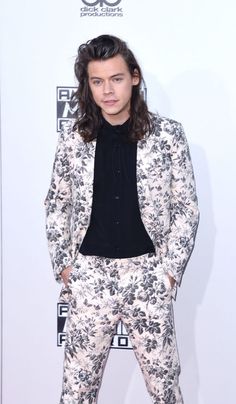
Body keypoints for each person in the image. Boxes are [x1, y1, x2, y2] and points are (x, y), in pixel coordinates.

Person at [45, 34, 199, 404]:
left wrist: (169, 272)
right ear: (88, 87)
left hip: (148, 275)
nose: (107, 90)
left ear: (134, 76)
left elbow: (187, 207)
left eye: (115, 79)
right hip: (90, 279)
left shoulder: (168, 135)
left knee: (165, 390)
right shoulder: (73, 139)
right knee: (76, 392)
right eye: (97, 82)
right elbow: (55, 204)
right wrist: (66, 266)